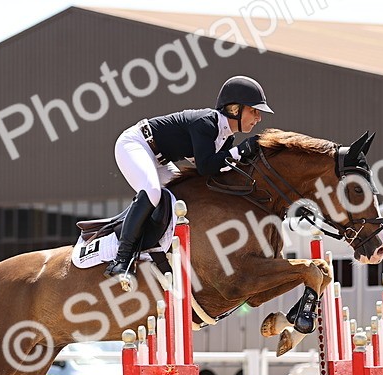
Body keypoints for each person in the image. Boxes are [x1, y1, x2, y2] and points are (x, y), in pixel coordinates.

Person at [103, 75, 273, 278]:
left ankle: (156, 253)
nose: (259, 118)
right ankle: (120, 260)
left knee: (181, 199)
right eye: (254, 110)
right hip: (135, 143)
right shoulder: (206, 122)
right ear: (234, 109)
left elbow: (217, 173)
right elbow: (205, 166)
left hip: (160, 159)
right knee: (152, 191)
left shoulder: (225, 137)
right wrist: (239, 152)